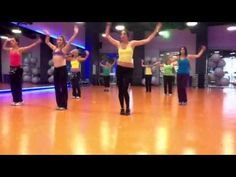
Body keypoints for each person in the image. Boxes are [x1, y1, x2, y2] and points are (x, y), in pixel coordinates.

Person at [105, 22, 162, 115]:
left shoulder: (132, 43)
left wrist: (156, 30)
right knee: (120, 89)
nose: (121, 35)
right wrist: (108, 25)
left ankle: (128, 107)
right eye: (121, 34)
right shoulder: (118, 44)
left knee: (124, 88)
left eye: (123, 34)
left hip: (128, 70)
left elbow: (147, 40)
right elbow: (107, 36)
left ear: (127, 36)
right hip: (119, 68)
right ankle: (122, 108)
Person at [44, 25, 79, 110]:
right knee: (56, 87)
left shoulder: (64, 49)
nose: (58, 41)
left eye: (60, 40)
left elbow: (70, 41)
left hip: (62, 70)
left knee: (63, 87)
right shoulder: (54, 48)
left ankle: (64, 105)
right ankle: (59, 104)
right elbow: (47, 42)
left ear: (63, 42)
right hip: (56, 70)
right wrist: (48, 35)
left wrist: (75, 33)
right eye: (58, 39)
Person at [2, 37, 41, 106]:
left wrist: (37, 43)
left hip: (18, 69)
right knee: (12, 85)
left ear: (16, 42)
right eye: (11, 41)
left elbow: (29, 47)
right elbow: (4, 47)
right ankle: (14, 100)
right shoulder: (10, 49)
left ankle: (20, 100)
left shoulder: (20, 49)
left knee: (18, 85)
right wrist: (6, 41)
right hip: (12, 69)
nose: (11, 42)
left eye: (13, 41)